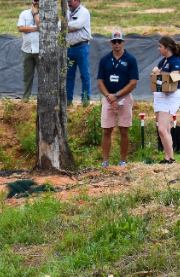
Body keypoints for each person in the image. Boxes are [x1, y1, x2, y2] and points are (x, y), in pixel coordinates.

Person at [96, 30, 138, 167]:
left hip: (124, 97)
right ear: (111, 42)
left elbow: (133, 82)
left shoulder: (130, 59)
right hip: (108, 97)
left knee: (124, 129)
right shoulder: (105, 60)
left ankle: (123, 161)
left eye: (119, 41)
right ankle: (105, 161)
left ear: (123, 42)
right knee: (106, 129)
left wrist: (117, 95)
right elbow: (100, 82)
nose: (117, 44)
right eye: (114, 41)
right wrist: (110, 97)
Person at [151, 36, 180, 164]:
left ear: (167, 47)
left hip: (169, 97)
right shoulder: (163, 61)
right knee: (165, 129)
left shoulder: (176, 62)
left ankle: (171, 158)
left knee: (162, 129)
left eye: (160, 46)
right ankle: (167, 156)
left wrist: (157, 74)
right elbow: (159, 80)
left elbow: (171, 80)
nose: (158, 49)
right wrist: (157, 74)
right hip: (160, 96)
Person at [64, 0, 90, 105]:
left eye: (70, 1)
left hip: (81, 47)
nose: (69, 3)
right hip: (69, 47)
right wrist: (67, 27)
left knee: (84, 74)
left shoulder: (84, 12)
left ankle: (85, 100)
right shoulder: (66, 12)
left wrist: (65, 27)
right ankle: (68, 100)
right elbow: (59, 25)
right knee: (69, 75)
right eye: (68, 1)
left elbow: (77, 25)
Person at [17, 0, 39, 101]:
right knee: (27, 76)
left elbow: (41, 25)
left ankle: (42, 98)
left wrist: (35, 14)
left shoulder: (46, 14)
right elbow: (21, 28)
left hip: (40, 50)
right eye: (35, 0)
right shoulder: (24, 13)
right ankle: (25, 99)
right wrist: (36, 29)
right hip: (27, 49)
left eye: (38, 1)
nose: (36, 2)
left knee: (43, 76)